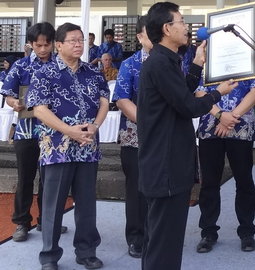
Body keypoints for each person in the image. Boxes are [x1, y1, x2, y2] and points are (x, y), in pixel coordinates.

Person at [137, 2, 237, 269]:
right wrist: (218, 93)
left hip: (169, 164)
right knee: (163, 242)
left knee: (165, 240)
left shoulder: (166, 61)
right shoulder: (159, 63)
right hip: (164, 166)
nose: (187, 27)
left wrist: (196, 65)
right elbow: (189, 106)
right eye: (181, 21)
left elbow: (179, 94)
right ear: (167, 28)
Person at [27, 22, 109, 270]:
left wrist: (95, 125)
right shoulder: (44, 72)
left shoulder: (93, 72)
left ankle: (86, 252)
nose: (78, 44)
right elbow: (39, 109)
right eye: (72, 40)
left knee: (86, 204)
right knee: (53, 205)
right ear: (59, 45)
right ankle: (50, 257)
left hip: (87, 147)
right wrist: (68, 130)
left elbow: (104, 101)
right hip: (57, 149)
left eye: (81, 40)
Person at [0, 22, 66, 243]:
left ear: (54, 43)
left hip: (55, 133)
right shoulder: (20, 66)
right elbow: (8, 94)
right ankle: (22, 222)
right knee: (25, 178)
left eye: (47, 44)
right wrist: (14, 103)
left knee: (51, 180)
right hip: (26, 132)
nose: (43, 49)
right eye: (39, 45)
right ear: (30, 44)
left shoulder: (62, 65)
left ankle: (47, 220)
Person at [195, 58, 255, 254]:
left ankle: (247, 231)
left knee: (244, 181)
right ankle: (208, 232)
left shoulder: (252, 57)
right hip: (210, 126)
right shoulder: (208, 59)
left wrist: (230, 118)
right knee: (209, 181)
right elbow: (199, 91)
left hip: (241, 126)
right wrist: (220, 115)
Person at [112, 15, 151, 259]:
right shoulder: (130, 64)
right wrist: (147, 122)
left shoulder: (174, 62)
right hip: (135, 135)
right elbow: (122, 98)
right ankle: (136, 237)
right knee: (136, 188)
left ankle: (156, 233)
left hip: (164, 137)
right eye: (151, 33)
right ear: (139, 37)